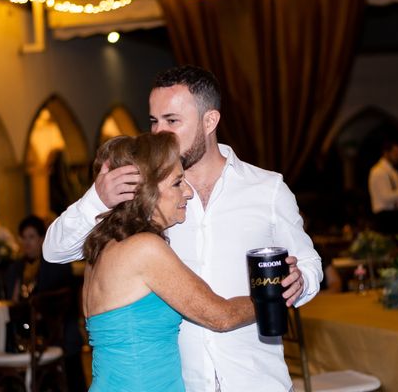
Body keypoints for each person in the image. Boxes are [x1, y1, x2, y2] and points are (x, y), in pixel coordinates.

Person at [44, 65, 323, 391]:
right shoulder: (150, 196)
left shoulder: (268, 189)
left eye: (171, 121)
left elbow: (309, 264)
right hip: (184, 382)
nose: (160, 132)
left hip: (256, 378)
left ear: (210, 121)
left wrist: (299, 282)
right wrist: (96, 200)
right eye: (154, 121)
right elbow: (55, 251)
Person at [84, 132, 256, 391]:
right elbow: (221, 317)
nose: (188, 192)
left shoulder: (99, 249)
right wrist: (273, 296)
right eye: (177, 183)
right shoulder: (144, 249)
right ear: (147, 192)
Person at [5, 215, 86, 391]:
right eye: (24, 238)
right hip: (25, 331)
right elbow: (12, 301)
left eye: (32, 237)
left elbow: (62, 302)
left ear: (42, 238)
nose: (27, 243)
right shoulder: (16, 268)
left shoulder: (56, 263)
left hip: (56, 332)